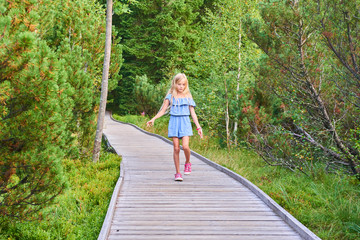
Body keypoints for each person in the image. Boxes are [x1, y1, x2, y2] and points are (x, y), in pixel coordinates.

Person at [147, 73, 203, 181]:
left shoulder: (188, 97)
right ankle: (178, 173)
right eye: (179, 84)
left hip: (185, 122)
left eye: (183, 84)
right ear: (174, 84)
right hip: (174, 122)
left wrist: (198, 127)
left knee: (185, 146)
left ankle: (187, 162)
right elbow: (162, 111)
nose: (181, 87)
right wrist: (153, 119)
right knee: (176, 148)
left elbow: (193, 113)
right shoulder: (170, 97)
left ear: (186, 85)